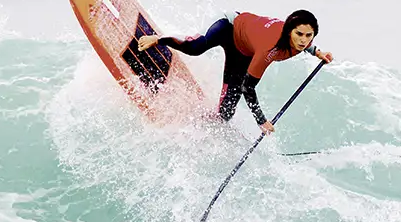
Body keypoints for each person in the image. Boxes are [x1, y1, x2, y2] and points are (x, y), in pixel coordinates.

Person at [137, 9, 333, 135]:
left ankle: (204, 126)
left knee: (225, 112)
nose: (303, 40)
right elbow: (249, 87)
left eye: (309, 36)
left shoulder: (300, 40)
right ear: (289, 31)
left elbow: (305, 44)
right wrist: (261, 121)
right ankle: (159, 38)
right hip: (229, 25)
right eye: (299, 34)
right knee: (196, 47)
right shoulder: (270, 49)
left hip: (244, 51)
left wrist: (317, 52)